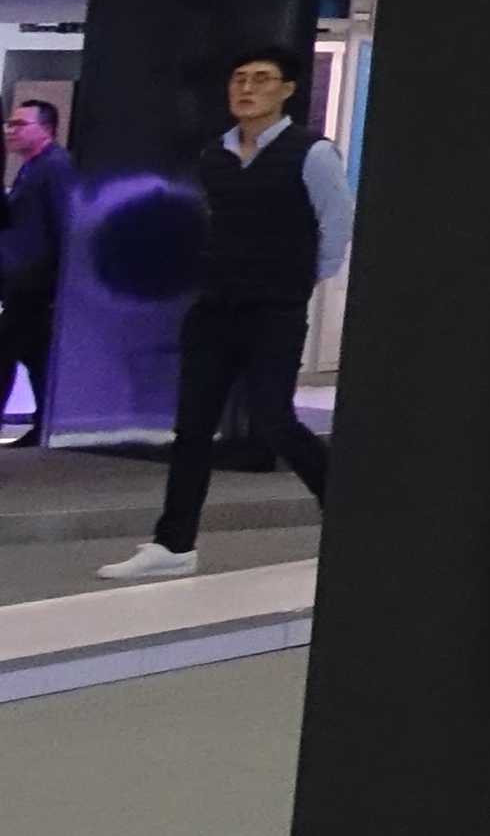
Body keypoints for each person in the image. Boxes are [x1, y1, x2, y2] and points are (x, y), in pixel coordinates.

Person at [100, 42, 348, 580]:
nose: (247, 88)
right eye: (239, 79)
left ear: (287, 90)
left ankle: (350, 517)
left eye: (261, 79)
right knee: (192, 427)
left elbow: (335, 225)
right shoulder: (215, 154)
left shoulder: (311, 153)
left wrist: (299, 280)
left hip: (274, 309)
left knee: (274, 418)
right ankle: (174, 543)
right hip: (214, 306)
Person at [0, 101, 61, 446]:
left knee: (12, 350)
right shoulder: (32, 169)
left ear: (46, 130)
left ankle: (45, 423)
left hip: (36, 284)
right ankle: (44, 423)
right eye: (10, 124)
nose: (11, 130)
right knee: (32, 354)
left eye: (20, 124)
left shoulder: (54, 169)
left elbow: (64, 225)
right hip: (25, 282)